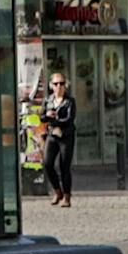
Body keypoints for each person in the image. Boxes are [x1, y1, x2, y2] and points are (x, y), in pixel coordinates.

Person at [41, 72, 76, 208]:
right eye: (56, 84)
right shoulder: (48, 100)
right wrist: (47, 115)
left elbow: (69, 119)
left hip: (66, 136)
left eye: (62, 83)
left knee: (64, 167)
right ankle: (57, 191)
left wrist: (54, 120)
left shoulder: (70, 101)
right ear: (51, 86)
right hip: (52, 135)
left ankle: (67, 196)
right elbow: (42, 117)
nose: (59, 86)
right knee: (47, 163)